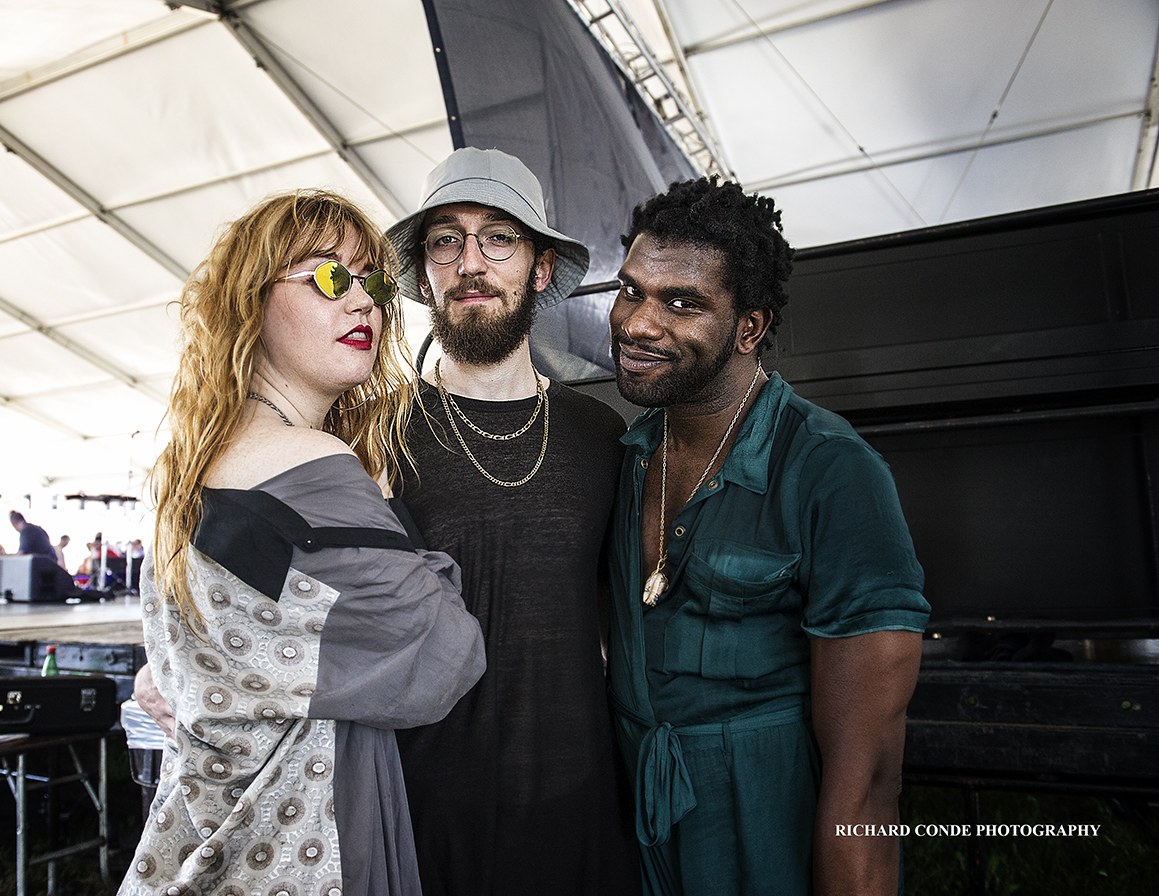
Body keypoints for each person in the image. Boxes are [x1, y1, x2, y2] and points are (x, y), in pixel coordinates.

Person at [120, 189, 486, 896]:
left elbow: (177, 670)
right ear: (251, 303)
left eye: (374, 281)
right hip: (307, 850)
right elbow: (447, 657)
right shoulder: (311, 465)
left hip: (206, 838)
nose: (364, 303)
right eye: (327, 276)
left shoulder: (191, 467)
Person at [605, 176, 930, 895]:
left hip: (765, 834)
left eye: (681, 302)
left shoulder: (830, 469)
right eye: (630, 290)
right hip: (636, 832)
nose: (637, 323)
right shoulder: (627, 457)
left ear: (749, 327)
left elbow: (869, 780)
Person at [382, 147, 640, 895]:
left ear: (538, 266)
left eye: (499, 237)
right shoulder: (372, 436)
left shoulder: (600, 437)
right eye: (446, 240)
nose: (471, 261)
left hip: (581, 816)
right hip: (426, 820)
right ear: (426, 271)